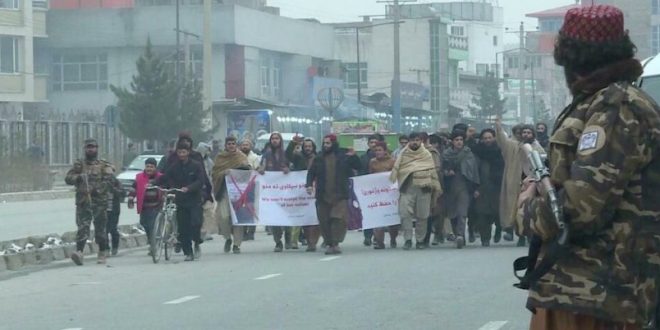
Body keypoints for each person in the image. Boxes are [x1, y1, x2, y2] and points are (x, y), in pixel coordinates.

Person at [518, 5, 660, 329]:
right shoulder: (596, 102)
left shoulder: (617, 107)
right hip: (577, 290)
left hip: (596, 295)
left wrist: (525, 207)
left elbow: (579, 209)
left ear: (572, 58)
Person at [306, 134, 361, 255]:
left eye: (328, 143)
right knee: (324, 221)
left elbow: (359, 166)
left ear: (334, 143)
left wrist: (354, 157)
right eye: (324, 143)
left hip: (340, 195)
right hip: (323, 196)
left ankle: (335, 243)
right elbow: (311, 173)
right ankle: (329, 243)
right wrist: (309, 185)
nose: (326, 145)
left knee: (338, 219)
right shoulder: (319, 157)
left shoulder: (343, 156)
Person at [64, 138, 116, 265]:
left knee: (100, 228)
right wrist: (78, 178)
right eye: (88, 147)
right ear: (85, 149)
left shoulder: (104, 165)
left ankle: (102, 251)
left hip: (99, 202)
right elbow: (68, 178)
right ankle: (79, 252)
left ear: (97, 148)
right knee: (82, 227)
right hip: (83, 201)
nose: (90, 149)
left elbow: (110, 180)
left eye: (92, 147)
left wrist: (98, 189)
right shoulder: (79, 165)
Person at [496, 120, 546, 246]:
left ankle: (530, 234)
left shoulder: (537, 148)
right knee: (516, 210)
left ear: (533, 134)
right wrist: (498, 127)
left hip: (532, 184)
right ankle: (519, 234)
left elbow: (542, 163)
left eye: (529, 132)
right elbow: (503, 140)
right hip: (515, 182)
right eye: (524, 132)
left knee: (529, 210)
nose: (526, 135)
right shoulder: (514, 146)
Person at [390, 132, 442, 250]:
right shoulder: (403, 155)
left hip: (424, 188)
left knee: (422, 216)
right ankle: (408, 239)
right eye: (412, 140)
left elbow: (432, 171)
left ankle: (420, 240)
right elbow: (398, 169)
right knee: (404, 214)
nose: (414, 142)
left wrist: (435, 187)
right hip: (407, 188)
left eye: (417, 140)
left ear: (421, 141)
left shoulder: (426, 155)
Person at [155, 141, 205, 261]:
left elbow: (200, 181)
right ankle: (188, 252)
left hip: (194, 200)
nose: (182, 154)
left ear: (188, 152)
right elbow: (165, 177)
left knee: (195, 223)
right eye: (179, 152)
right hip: (181, 200)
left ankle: (197, 241)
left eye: (184, 152)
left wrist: (189, 188)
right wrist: (153, 183)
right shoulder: (175, 166)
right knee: (183, 229)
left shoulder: (196, 165)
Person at [212, 137, 251, 254]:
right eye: (229, 144)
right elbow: (214, 173)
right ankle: (228, 238)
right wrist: (223, 172)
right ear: (225, 145)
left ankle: (236, 244)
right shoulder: (220, 158)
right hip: (224, 190)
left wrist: (242, 168)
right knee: (223, 217)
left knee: (237, 218)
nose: (231, 146)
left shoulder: (241, 157)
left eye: (233, 144)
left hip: (238, 192)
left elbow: (248, 171)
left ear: (236, 145)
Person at [442, 131, 479, 249]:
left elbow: (473, 172)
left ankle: (460, 235)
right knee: (452, 214)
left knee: (462, 212)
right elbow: (442, 169)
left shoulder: (468, 154)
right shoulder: (446, 154)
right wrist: (447, 173)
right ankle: (457, 232)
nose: (459, 142)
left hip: (464, 186)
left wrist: (475, 188)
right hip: (450, 188)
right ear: (452, 141)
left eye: (461, 140)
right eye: (456, 140)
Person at [258, 132, 292, 252]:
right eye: (273, 138)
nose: (275, 140)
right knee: (274, 217)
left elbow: (292, 168)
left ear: (280, 140)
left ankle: (288, 237)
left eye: (277, 138)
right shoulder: (266, 154)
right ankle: (278, 241)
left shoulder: (286, 154)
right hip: (271, 192)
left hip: (285, 191)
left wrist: (289, 170)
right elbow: (261, 166)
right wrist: (261, 170)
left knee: (286, 215)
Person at [471, 129, 504, 246]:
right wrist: (475, 188)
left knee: (498, 214)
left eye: (490, 137)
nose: (487, 140)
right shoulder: (477, 152)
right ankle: (485, 238)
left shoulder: (500, 152)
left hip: (497, 187)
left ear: (494, 138)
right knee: (482, 214)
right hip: (482, 188)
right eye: (485, 138)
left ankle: (499, 230)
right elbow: (474, 171)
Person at [127, 158, 162, 256]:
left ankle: (153, 245)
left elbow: (166, 187)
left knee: (152, 226)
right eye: (147, 166)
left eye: (151, 167)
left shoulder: (160, 177)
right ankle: (152, 242)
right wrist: (130, 198)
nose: (149, 169)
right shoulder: (139, 177)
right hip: (144, 206)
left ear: (155, 168)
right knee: (144, 224)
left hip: (156, 206)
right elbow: (133, 189)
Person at [368, 141, 399, 249]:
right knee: (377, 218)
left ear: (385, 151)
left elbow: (395, 176)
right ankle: (379, 241)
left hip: (390, 194)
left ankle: (393, 238)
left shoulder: (392, 161)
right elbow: (370, 176)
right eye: (376, 150)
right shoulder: (372, 162)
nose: (377, 152)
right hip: (377, 194)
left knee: (392, 219)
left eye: (380, 150)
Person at [239, 138, 260, 240]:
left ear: (250, 146)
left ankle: (251, 231)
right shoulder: (237, 157)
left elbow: (256, 170)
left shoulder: (255, 157)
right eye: (243, 144)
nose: (245, 146)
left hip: (252, 185)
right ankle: (243, 231)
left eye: (247, 145)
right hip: (239, 185)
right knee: (241, 208)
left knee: (251, 207)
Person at [106, 174, 123, 256]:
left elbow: (122, 193)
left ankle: (115, 247)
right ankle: (105, 249)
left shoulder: (116, 182)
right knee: (104, 230)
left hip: (114, 210)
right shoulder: (100, 181)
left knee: (113, 229)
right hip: (103, 210)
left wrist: (113, 188)